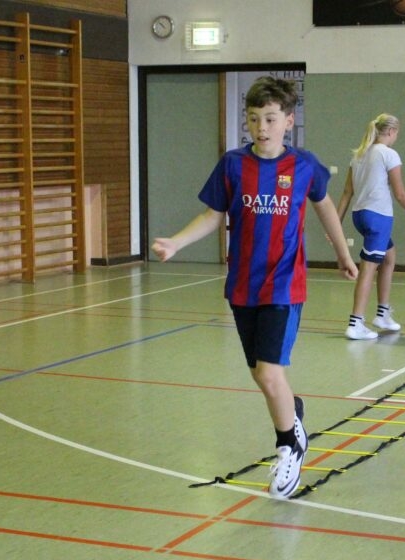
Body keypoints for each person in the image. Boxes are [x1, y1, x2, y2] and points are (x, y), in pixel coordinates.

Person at [152, 76, 358, 499]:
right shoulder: (232, 165)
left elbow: (323, 208)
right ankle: (292, 413)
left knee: (268, 372)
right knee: (261, 374)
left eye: (270, 118)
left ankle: (290, 447)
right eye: (253, 118)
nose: (261, 127)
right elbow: (212, 215)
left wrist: (342, 253)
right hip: (243, 285)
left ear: (288, 121)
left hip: (284, 285)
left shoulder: (304, 166)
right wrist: (176, 242)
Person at [336, 113, 405, 340]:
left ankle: (382, 314)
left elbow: (347, 192)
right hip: (378, 217)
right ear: (391, 132)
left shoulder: (359, 154)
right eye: (397, 133)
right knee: (368, 268)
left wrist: (336, 222)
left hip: (360, 215)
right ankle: (355, 323)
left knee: (389, 257)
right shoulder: (388, 154)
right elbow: (400, 194)